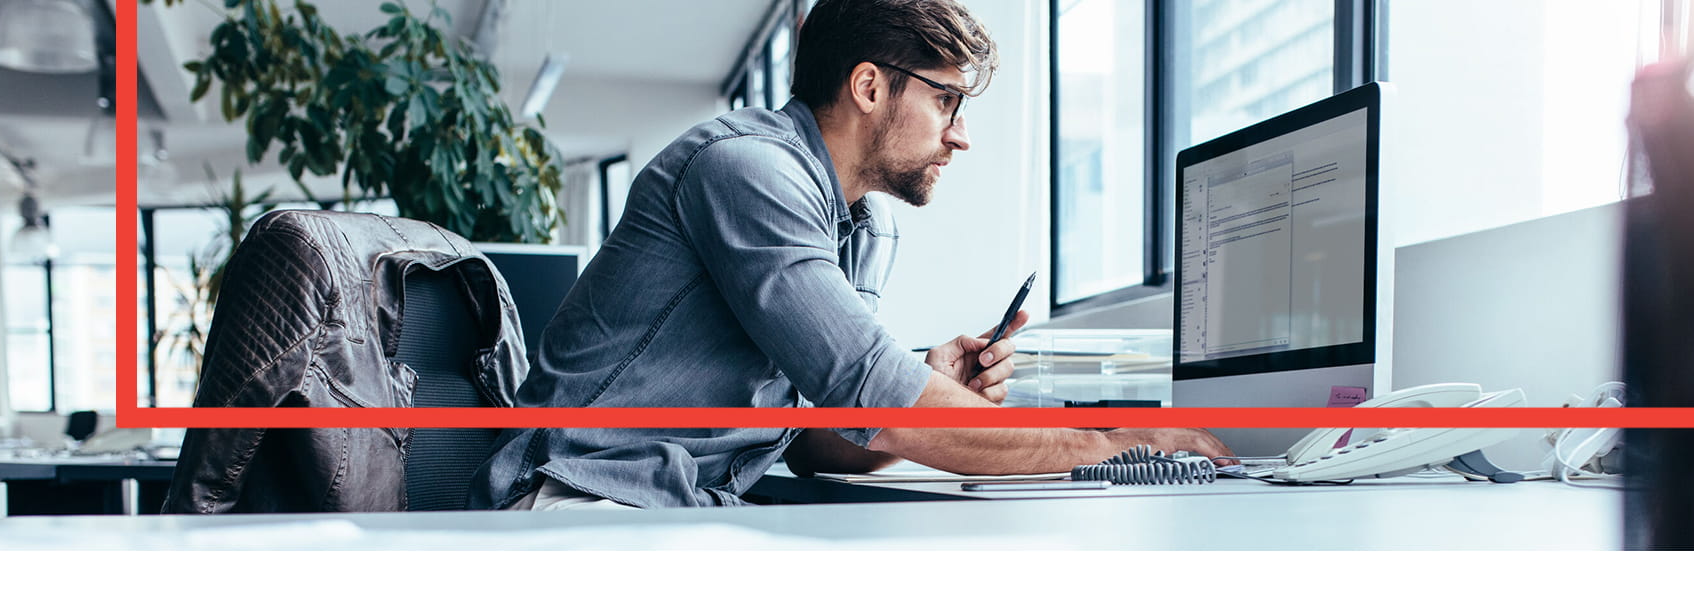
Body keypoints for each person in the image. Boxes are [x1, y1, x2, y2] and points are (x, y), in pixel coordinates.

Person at [468, 0, 1233, 510]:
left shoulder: (863, 225)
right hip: (579, 501)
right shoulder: (748, 172)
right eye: (946, 100)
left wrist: (927, 387)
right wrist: (1109, 444)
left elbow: (828, 435)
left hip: (680, 509)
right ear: (869, 85)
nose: (960, 134)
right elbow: (875, 400)